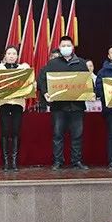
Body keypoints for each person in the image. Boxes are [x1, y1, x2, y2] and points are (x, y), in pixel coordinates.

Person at [38, 36, 90, 170]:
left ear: (72, 47)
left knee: (77, 135)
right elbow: (42, 79)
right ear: (59, 48)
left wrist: (90, 92)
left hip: (77, 106)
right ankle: (58, 161)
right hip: (58, 106)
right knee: (57, 135)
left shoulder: (81, 63)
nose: (66, 48)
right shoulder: (53, 64)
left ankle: (76, 161)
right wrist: (45, 92)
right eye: (63, 45)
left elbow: (87, 82)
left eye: (68, 45)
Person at [0, 46, 30, 171]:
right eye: (9, 53)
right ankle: (5, 161)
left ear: (17, 56)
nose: (11, 56)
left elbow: (30, 85)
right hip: (3, 103)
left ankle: (14, 161)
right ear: (5, 55)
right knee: (5, 131)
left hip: (18, 104)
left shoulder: (23, 68)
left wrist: (29, 87)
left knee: (16, 131)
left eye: (14, 53)